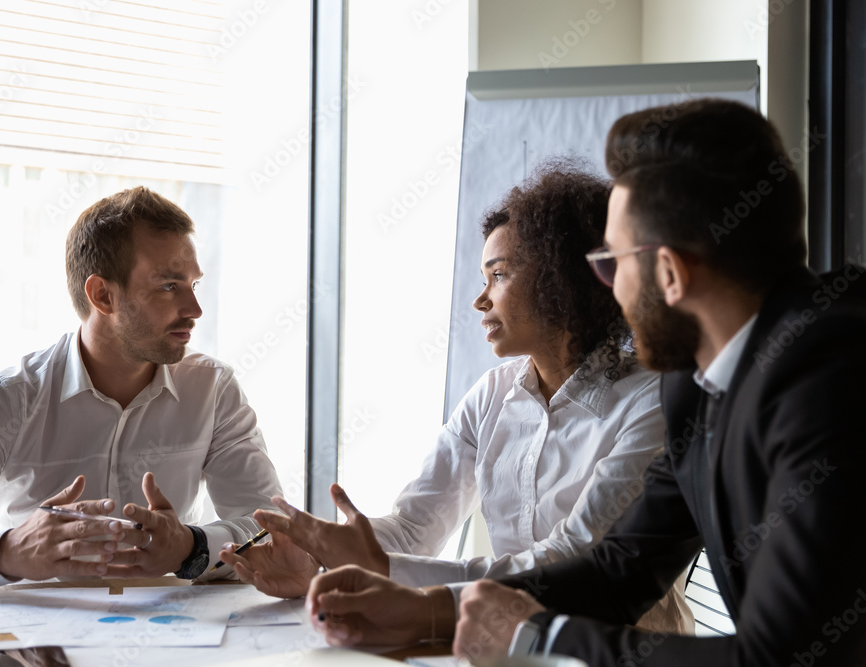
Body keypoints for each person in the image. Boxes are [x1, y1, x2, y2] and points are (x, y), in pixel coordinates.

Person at [303, 99, 866, 666]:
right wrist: (426, 611)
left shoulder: (832, 377)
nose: (607, 289)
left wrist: (538, 638)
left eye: (610, 264)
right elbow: (622, 569)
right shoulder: (692, 384)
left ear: (669, 272)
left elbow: (785, 657)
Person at [218, 165, 692, 634]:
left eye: (499, 275)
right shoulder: (493, 394)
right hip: (509, 643)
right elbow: (413, 528)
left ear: (562, 280)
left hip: (626, 650)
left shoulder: (651, 400)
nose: (480, 301)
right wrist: (316, 553)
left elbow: (572, 560)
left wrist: (381, 567)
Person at [0, 186, 284, 595]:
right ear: (103, 294)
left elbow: (276, 531)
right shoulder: (11, 397)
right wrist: (7, 552)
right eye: (169, 286)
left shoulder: (214, 389)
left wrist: (193, 547)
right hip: (30, 653)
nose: (195, 310)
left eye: (194, 285)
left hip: (172, 642)